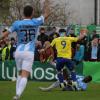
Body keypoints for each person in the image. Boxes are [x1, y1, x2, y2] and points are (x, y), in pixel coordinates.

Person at [0, 4, 48, 100]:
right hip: (29, 52)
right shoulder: (35, 22)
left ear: (23, 13)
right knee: (25, 75)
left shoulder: (17, 23)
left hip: (18, 52)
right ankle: (17, 95)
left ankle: (17, 94)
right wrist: (47, 2)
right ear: (32, 13)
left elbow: (4, 34)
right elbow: (46, 14)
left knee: (19, 73)